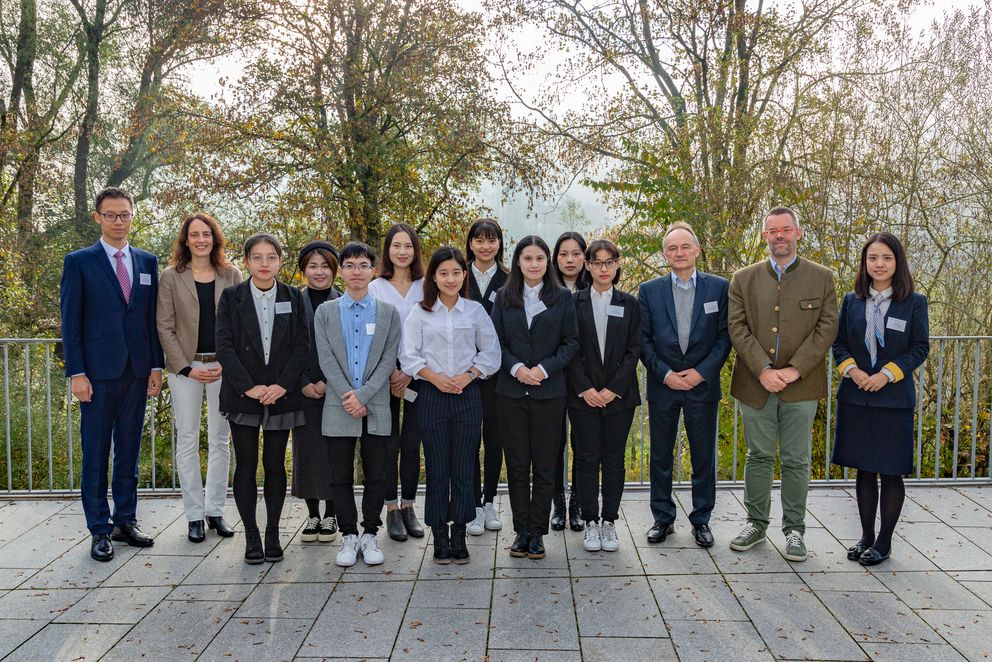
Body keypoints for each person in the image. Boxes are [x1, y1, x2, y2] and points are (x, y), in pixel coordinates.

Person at [727, 206, 838, 562]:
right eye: (773, 231)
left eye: (785, 230)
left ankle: (794, 531)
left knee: (796, 459)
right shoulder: (743, 279)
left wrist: (793, 370)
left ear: (798, 233)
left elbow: (826, 330)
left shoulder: (822, 278)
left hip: (801, 386)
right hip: (753, 383)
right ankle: (756, 524)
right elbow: (737, 328)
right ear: (765, 236)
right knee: (757, 456)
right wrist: (762, 369)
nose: (779, 236)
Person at [60, 186, 164, 561]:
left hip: (137, 372)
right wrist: (77, 372)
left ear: (132, 216)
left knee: (129, 452)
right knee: (96, 453)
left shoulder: (148, 262)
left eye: (125, 215)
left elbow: (152, 320)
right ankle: (99, 529)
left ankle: (125, 521)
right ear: (98, 217)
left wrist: (155, 366)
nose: (119, 221)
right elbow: (70, 323)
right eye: (111, 215)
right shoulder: (79, 261)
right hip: (97, 375)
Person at [832, 232, 929, 566]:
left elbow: (920, 349)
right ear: (865, 263)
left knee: (890, 471)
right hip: (857, 398)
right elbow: (838, 344)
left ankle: (884, 542)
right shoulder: (851, 301)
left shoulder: (914, 302)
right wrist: (852, 371)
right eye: (873, 258)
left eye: (886, 258)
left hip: (894, 400)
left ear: (897, 262)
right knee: (863, 470)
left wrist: (886, 373)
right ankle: (866, 537)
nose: (879, 264)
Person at [400, 246, 501, 564]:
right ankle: (439, 537)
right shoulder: (420, 311)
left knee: (463, 468)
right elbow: (409, 356)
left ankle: (460, 534)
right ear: (433, 276)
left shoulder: (474, 311)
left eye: (456, 272)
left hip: (467, 397)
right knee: (438, 468)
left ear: (464, 275)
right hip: (431, 396)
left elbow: (491, 353)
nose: (450, 278)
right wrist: (435, 378)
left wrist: (469, 375)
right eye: (443, 273)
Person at [216, 233, 309, 564]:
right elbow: (224, 346)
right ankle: (251, 536)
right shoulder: (231, 297)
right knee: (246, 464)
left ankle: (272, 533)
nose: (265, 263)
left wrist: (282, 386)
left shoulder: (293, 297)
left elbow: (301, 345)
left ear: (280, 261)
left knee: (274, 464)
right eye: (257, 257)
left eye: (271, 257)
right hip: (244, 394)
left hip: (281, 394)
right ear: (247, 262)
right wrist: (248, 387)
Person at [638, 222, 731, 547]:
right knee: (661, 455)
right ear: (665, 254)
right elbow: (643, 341)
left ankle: (701, 520)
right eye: (672, 248)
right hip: (663, 385)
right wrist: (666, 374)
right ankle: (662, 519)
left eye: (684, 247)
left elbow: (724, 338)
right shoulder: (649, 291)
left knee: (703, 456)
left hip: (702, 386)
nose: (679, 253)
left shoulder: (719, 288)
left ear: (696, 250)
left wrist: (701, 372)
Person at [492, 235, 579, 560]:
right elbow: (495, 342)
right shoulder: (504, 297)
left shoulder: (562, 298)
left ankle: (538, 533)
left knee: (544, 466)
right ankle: (521, 531)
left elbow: (571, 343)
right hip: (511, 393)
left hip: (549, 393)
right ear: (517, 262)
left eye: (540, 258)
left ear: (548, 262)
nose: (534, 264)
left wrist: (543, 369)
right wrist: (516, 369)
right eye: (527, 258)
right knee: (516, 465)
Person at [314, 242, 401, 568]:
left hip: (376, 403)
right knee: (340, 475)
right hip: (338, 403)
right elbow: (326, 358)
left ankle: (370, 533)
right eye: (349, 265)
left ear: (373, 270)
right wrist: (348, 394)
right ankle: (348, 535)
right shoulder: (326, 312)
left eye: (363, 265)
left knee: (377, 473)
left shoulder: (388, 313)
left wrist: (363, 395)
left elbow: (388, 359)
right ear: (341, 271)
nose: (356, 271)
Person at [157, 212, 241, 543]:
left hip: (223, 367)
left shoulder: (231, 274)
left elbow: (240, 323)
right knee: (188, 439)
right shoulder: (171, 276)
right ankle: (194, 515)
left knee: (221, 439)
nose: (201, 239)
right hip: (185, 369)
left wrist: (228, 362)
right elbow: (164, 325)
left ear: (215, 238)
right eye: (194, 234)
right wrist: (187, 367)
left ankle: (215, 510)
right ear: (186, 240)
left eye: (206, 233)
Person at [567, 239, 641, 553]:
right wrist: (585, 388)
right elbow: (568, 348)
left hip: (619, 398)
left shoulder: (630, 304)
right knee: (585, 459)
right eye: (597, 262)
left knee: (613, 461)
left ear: (618, 264)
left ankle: (609, 521)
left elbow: (633, 350)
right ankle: (590, 522)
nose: (603, 268)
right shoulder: (572, 303)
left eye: (609, 262)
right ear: (587, 265)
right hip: (582, 397)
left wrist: (612, 389)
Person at [368, 223, 426, 541]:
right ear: (387, 250)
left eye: (408, 246)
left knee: (411, 443)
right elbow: (373, 334)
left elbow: (431, 332)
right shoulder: (376, 287)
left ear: (415, 250)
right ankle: (390, 509)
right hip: (384, 377)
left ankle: (408, 506)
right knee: (388, 445)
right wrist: (391, 371)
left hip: (417, 376)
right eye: (396, 246)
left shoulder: (425, 285)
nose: (402, 252)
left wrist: (409, 372)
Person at [292, 242, 341, 543]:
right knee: (307, 451)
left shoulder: (345, 302)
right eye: (313, 266)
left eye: (325, 266)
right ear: (304, 270)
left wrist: (328, 381)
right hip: (303, 388)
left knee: (336, 451)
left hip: (336, 389)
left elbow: (350, 350)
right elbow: (285, 347)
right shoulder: (292, 302)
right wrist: (302, 382)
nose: (319, 272)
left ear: (335, 270)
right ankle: (312, 514)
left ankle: (332, 513)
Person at [464, 219, 509, 535]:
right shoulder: (457, 276)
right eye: (479, 239)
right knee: (468, 441)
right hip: (461, 375)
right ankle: (472, 505)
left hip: (498, 374)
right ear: (470, 244)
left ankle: (490, 499)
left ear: (499, 244)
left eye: (491, 240)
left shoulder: (510, 279)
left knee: (495, 439)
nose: (485, 245)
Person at [550, 231, 590, 531]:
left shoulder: (596, 289)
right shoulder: (545, 291)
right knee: (553, 443)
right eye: (564, 254)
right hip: (552, 378)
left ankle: (577, 503)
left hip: (585, 381)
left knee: (582, 443)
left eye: (576, 253)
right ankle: (557, 505)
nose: (570, 260)